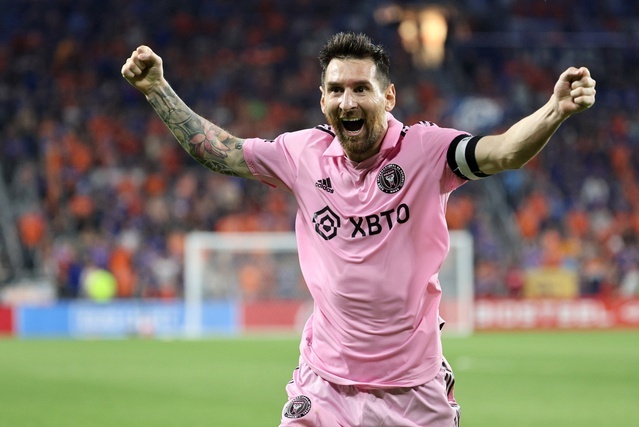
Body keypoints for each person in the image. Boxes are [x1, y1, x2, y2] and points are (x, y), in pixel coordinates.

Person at [122, 32, 596, 426]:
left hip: (414, 390)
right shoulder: (300, 153)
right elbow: (220, 151)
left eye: (360, 88)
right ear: (323, 100)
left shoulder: (427, 151)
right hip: (324, 384)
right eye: (336, 90)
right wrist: (158, 89)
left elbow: (503, 151)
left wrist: (554, 110)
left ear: (387, 97)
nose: (347, 101)